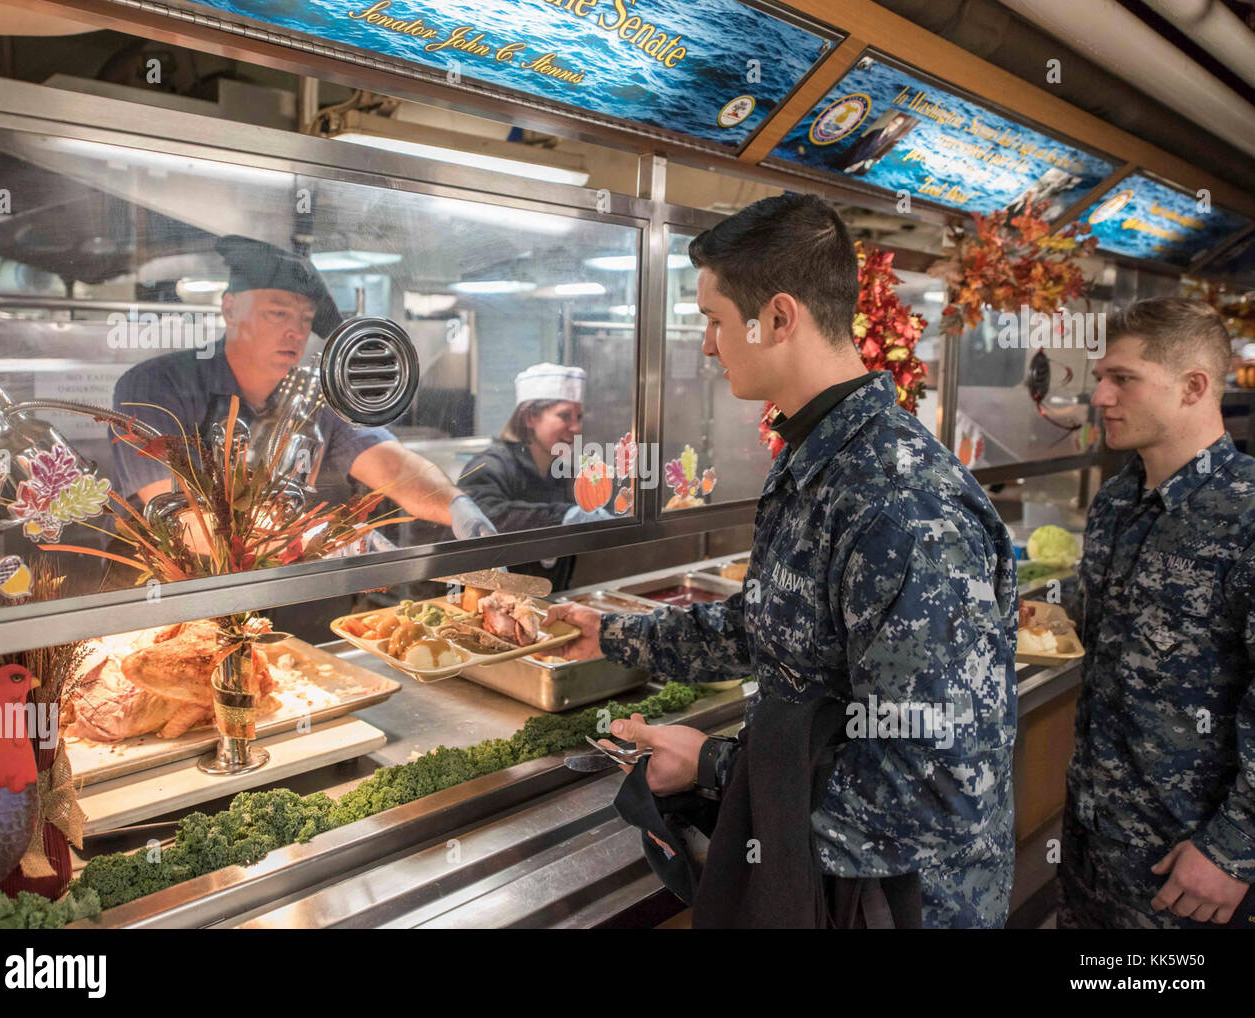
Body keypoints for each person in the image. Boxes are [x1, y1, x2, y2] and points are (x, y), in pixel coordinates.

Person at [546, 193, 1017, 929]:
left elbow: (929, 789)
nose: (707, 344)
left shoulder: (902, 507)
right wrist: (609, 638)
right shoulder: (818, 458)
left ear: (779, 318)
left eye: (715, 320)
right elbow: (775, 623)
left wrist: (714, 767)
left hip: (896, 907)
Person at [1058, 298, 1255, 929]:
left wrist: (1233, 850)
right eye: (1100, 379)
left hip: (1190, 865)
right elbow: (1100, 629)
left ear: (1194, 386)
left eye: (1124, 379)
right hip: (1096, 843)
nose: (1102, 396)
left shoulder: (1247, 514)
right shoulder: (1118, 500)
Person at [110, 235, 494, 542]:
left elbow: (393, 464)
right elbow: (182, 518)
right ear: (230, 310)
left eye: (306, 317)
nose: (296, 330)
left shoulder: (315, 398)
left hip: (264, 589)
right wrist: (320, 539)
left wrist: (459, 507)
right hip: (162, 595)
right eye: (278, 313)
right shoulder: (155, 387)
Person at [458, 363, 609, 588]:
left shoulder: (562, 473)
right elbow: (481, 517)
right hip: (491, 602)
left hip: (548, 601)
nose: (576, 428)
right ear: (530, 417)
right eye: (565, 416)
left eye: (579, 417)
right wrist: (561, 516)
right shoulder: (491, 465)